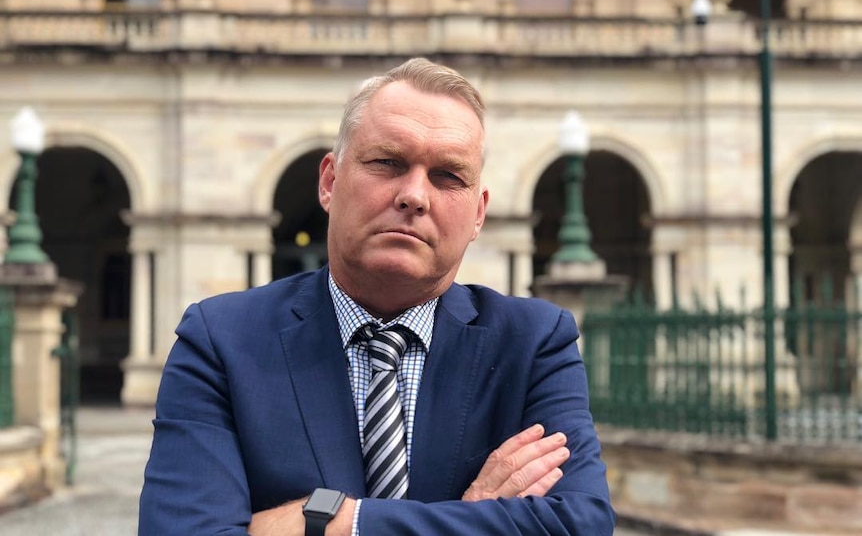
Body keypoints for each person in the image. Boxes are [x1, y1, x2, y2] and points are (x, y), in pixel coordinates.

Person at [138, 57, 615, 535]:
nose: (414, 195)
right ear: (329, 182)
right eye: (388, 163)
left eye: (448, 176)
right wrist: (473, 514)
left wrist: (339, 522)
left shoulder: (534, 344)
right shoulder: (221, 341)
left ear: (478, 215)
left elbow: (580, 524)